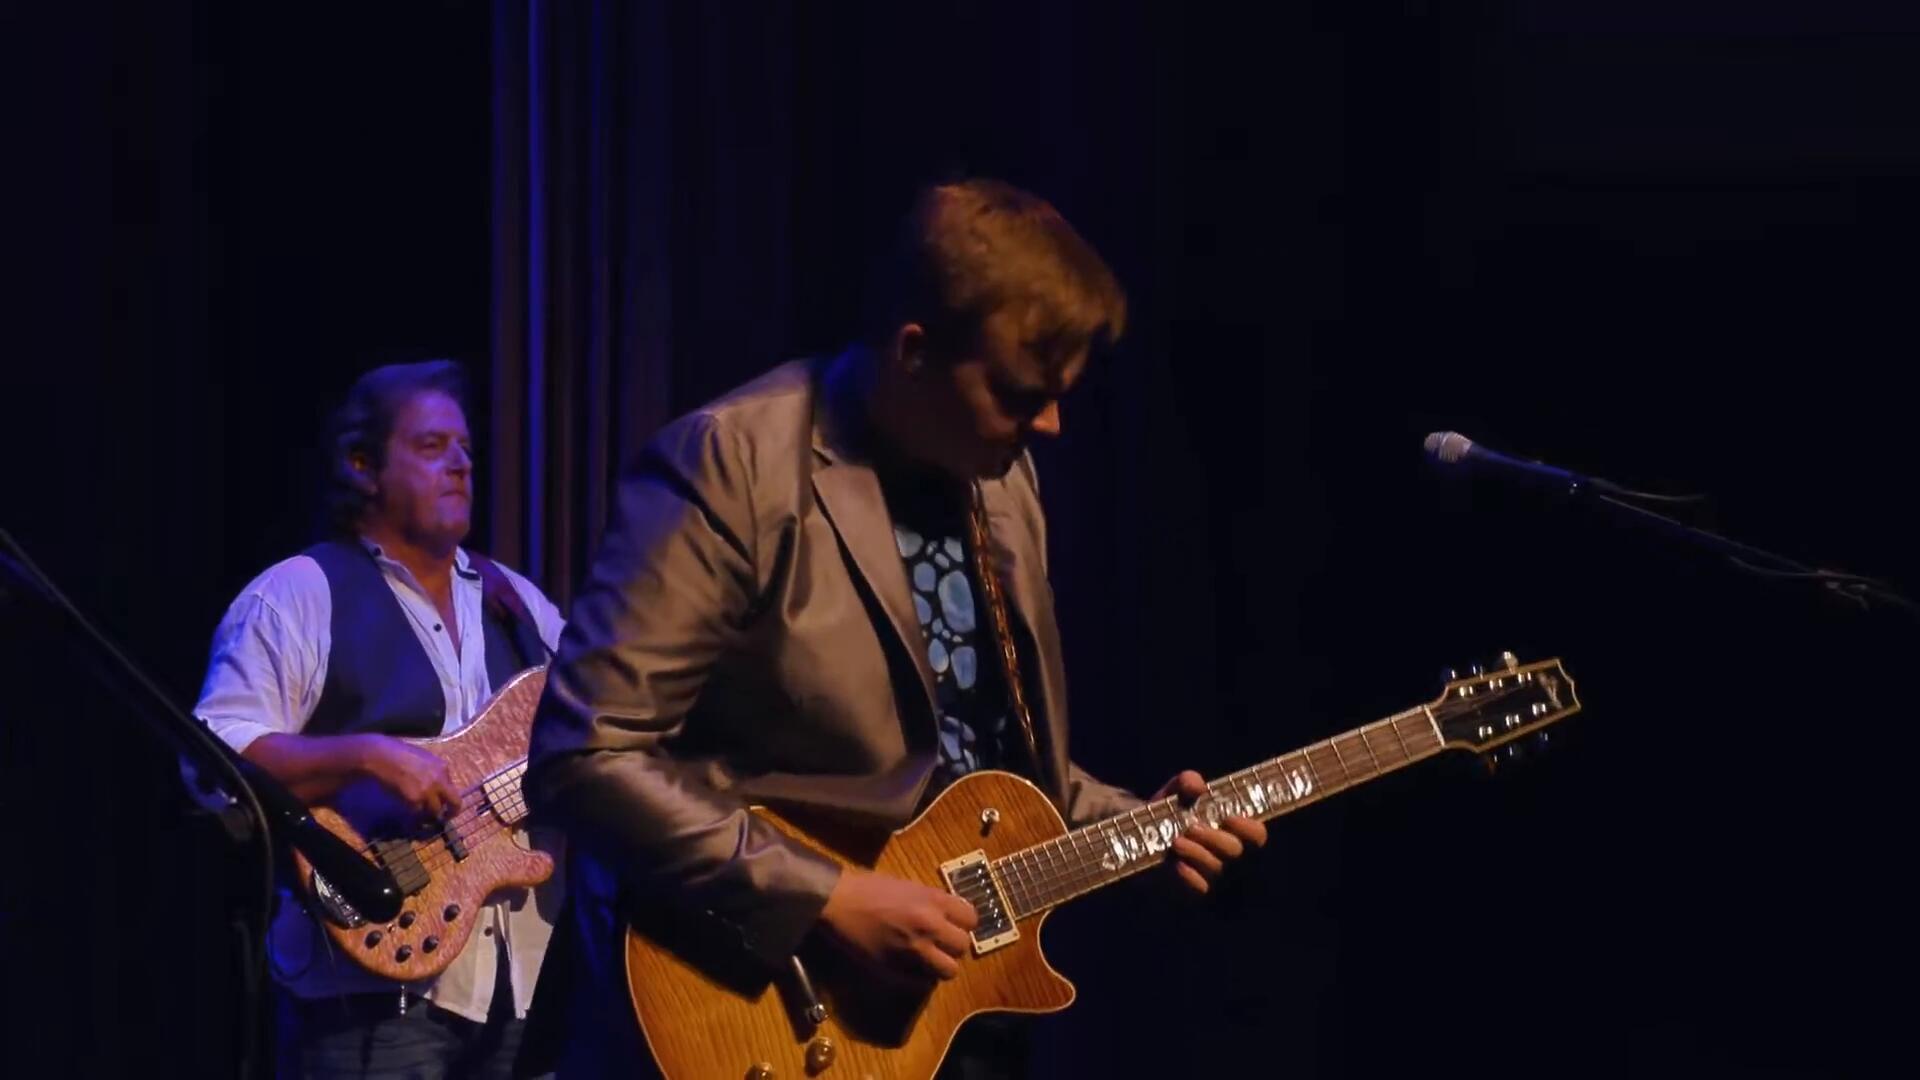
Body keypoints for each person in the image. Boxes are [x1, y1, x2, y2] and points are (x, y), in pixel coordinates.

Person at [526, 179, 1266, 1077]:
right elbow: (582, 756)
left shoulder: (1003, 483)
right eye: (1019, 393)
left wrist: (1141, 826)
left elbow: (993, 765)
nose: (1050, 424)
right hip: (753, 1015)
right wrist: (828, 899)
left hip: (951, 1024)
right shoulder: (731, 462)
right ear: (914, 352)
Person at [195, 360, 567, 1078]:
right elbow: (212, 764)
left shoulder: (518, 603)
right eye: (431, 446)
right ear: (362, 467)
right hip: (366, 1001)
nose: (461, 464)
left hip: (521, 994)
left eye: (465, 449)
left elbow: (597, 729)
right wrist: (365, 756)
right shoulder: (298, 595)